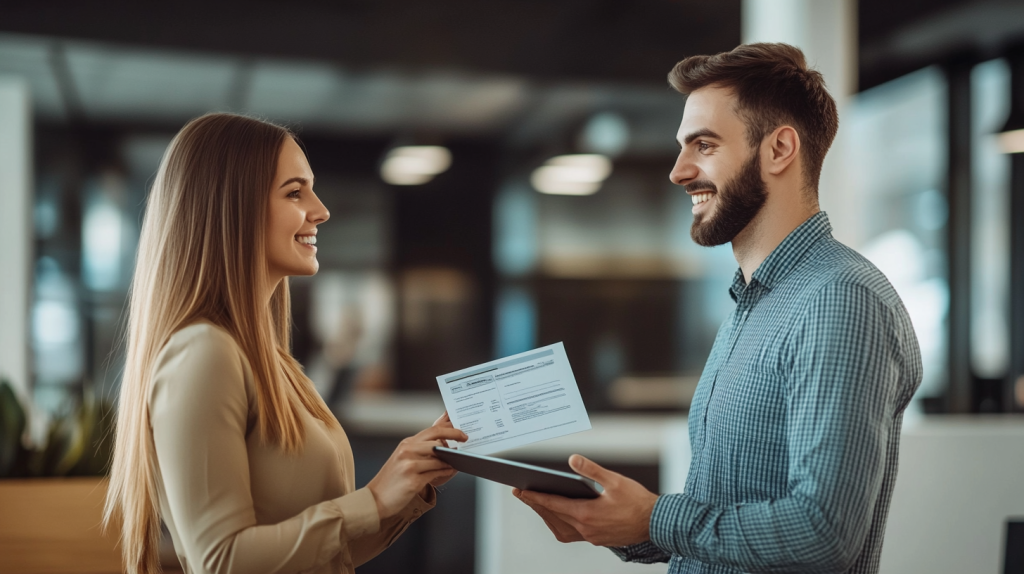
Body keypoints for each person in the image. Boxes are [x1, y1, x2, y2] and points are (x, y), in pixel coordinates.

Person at [514, 43, 923, 574]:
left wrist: (655, 518)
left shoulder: (840, 300)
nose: (678, 172)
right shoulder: (752, 302)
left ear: (779, 150)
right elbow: (728, 514)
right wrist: (622, 523)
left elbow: (823, 534)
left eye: (703, 145)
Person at [103, 113, 467, 574]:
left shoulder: (273, 362)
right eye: (295, 192)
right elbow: (222, 561)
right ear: (233, 209)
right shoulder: (203, 352)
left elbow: (325, 556)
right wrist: (373, 500)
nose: (322, 210)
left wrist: (409, 484)